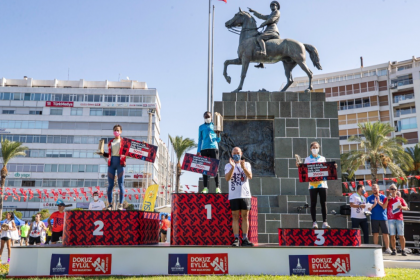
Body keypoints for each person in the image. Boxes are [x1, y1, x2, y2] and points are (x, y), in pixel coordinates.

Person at [298, 141, 333, 229]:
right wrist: (299, 166)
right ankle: (314, 222)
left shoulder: (322, 158)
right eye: (313, 147)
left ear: (319, 148)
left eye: (317, 147)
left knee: (323, 203)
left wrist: (333, 167)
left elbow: (326, 169)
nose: (315, 149)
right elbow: (304, 171)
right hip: (312, 185)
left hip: (322, 184)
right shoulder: (307, 159)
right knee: (313, 203)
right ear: (310, 149)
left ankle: (325, 222)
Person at [225, 147, 253, 247]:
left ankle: (245, 238)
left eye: (238, 152)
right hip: (234, 195)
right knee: (235, 216)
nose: (236, 154)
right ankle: (236, 238)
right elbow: (227, 178)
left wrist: (243, 167)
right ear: (232, 154)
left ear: (241, 153)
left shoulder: (247, 164)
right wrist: (233, 167)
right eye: (234, 153)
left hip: (245, 194)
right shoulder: (228, 165)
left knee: (245, 216)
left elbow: (250, 176)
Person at [100, 124, 126, 210]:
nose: (116, 131)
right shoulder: (110, 142)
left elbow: (132, 152)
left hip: (120, 163)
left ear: (121, 132)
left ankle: (121, 204)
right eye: (115, 130)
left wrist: (143, 146)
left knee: (121, 184)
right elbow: (109, 154)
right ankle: (110, 204)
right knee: (110, 185)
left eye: (118, 130)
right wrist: (103, 153)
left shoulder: (124, 142)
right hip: (111, 163)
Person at [248, 1, 281, 68]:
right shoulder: (270, 14)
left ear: (277, 6)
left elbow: (271, 20)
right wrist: (253, 11)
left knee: (259, 38)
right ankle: (261, 62)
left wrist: (263, 24)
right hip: (268, 30)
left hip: (272, 30)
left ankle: (264, 51)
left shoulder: (277, 12)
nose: (272, 6)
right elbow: (261, 16)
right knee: (257, 38)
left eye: (273, 5)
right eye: (271, 5)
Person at [197, 111, 221, 194]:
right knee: (204, 169)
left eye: (208, 116)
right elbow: (200, 139)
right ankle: (205, 188)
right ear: (204, 118)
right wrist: (198, 150)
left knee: (215, 168)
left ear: (211, 117)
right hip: (204, 149)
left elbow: (218, 140)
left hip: (214, 148)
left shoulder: (215, 126)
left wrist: (218, 134)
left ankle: (217, 187)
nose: (207, 118)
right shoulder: (201, 127)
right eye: (205, 117)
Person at [383, 184, 409, 256]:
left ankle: (403, 250)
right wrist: (388, 200)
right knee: (392, 235)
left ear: (396, 190)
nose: (393, 190)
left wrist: (401, 207)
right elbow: (384, 207)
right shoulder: (387, 198)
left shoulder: (400, 199)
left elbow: (406, 207)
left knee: (401, 235)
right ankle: (394, 249)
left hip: (399, 218)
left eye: (394, 189)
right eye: (391, 189)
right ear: (389, 190)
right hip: (391, 219)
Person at [367, 184, 392, 253]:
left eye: (375, 188)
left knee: (385, 233)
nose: (374, 190)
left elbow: (384, 207)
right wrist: (374, 204)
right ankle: (375, 248)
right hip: (374, 218)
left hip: (383, 218)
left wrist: (379, 202)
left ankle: (387, 248)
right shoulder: (369, 198)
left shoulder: (384, 197)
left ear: (378, 189)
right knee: (375, 233)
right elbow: (368, 209)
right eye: (373, 188)